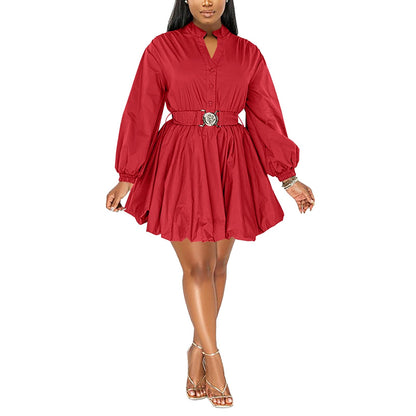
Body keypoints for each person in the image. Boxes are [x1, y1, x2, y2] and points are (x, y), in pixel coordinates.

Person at [106, 0, 315, 408]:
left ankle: (196, 350)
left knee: (218, 265)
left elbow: (266, 116)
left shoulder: (248, 53)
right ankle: (215, 361)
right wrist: (126, 176)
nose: (206, 1)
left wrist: (288, 178)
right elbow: (141, 111)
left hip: (231, 162)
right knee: (198, 267)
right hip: (182, 161)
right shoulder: (162, 48)